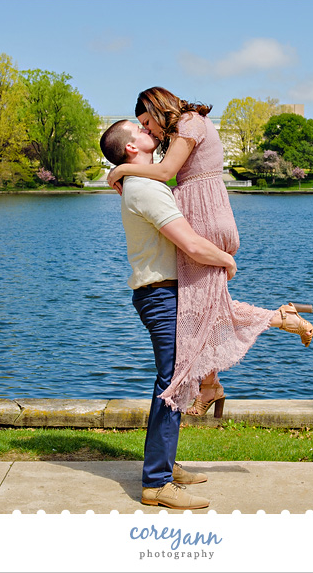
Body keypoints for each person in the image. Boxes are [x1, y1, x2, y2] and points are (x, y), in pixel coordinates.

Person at [107, 87, 313, 417]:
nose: (150, 130)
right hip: (202, 209)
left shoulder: (189, 123)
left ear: (158, 108)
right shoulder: (184, 126)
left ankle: (281, 320)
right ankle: (210, 383)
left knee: (202, 308)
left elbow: (164, 173)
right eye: (143, 126)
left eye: (148, 122)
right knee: (205, 306)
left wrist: (120, 170)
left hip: (202, 214)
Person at [100, 119, 237, 509]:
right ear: (131, 147)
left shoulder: (143, 182)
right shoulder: (144, 187)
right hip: (161, 296)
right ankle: (156, 483)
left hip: (163, 293)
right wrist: (226, 259)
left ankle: (165, 465)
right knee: (173, 383)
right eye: (140, 129)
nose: (151, 132)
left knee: (178, 380)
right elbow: (191, 244)